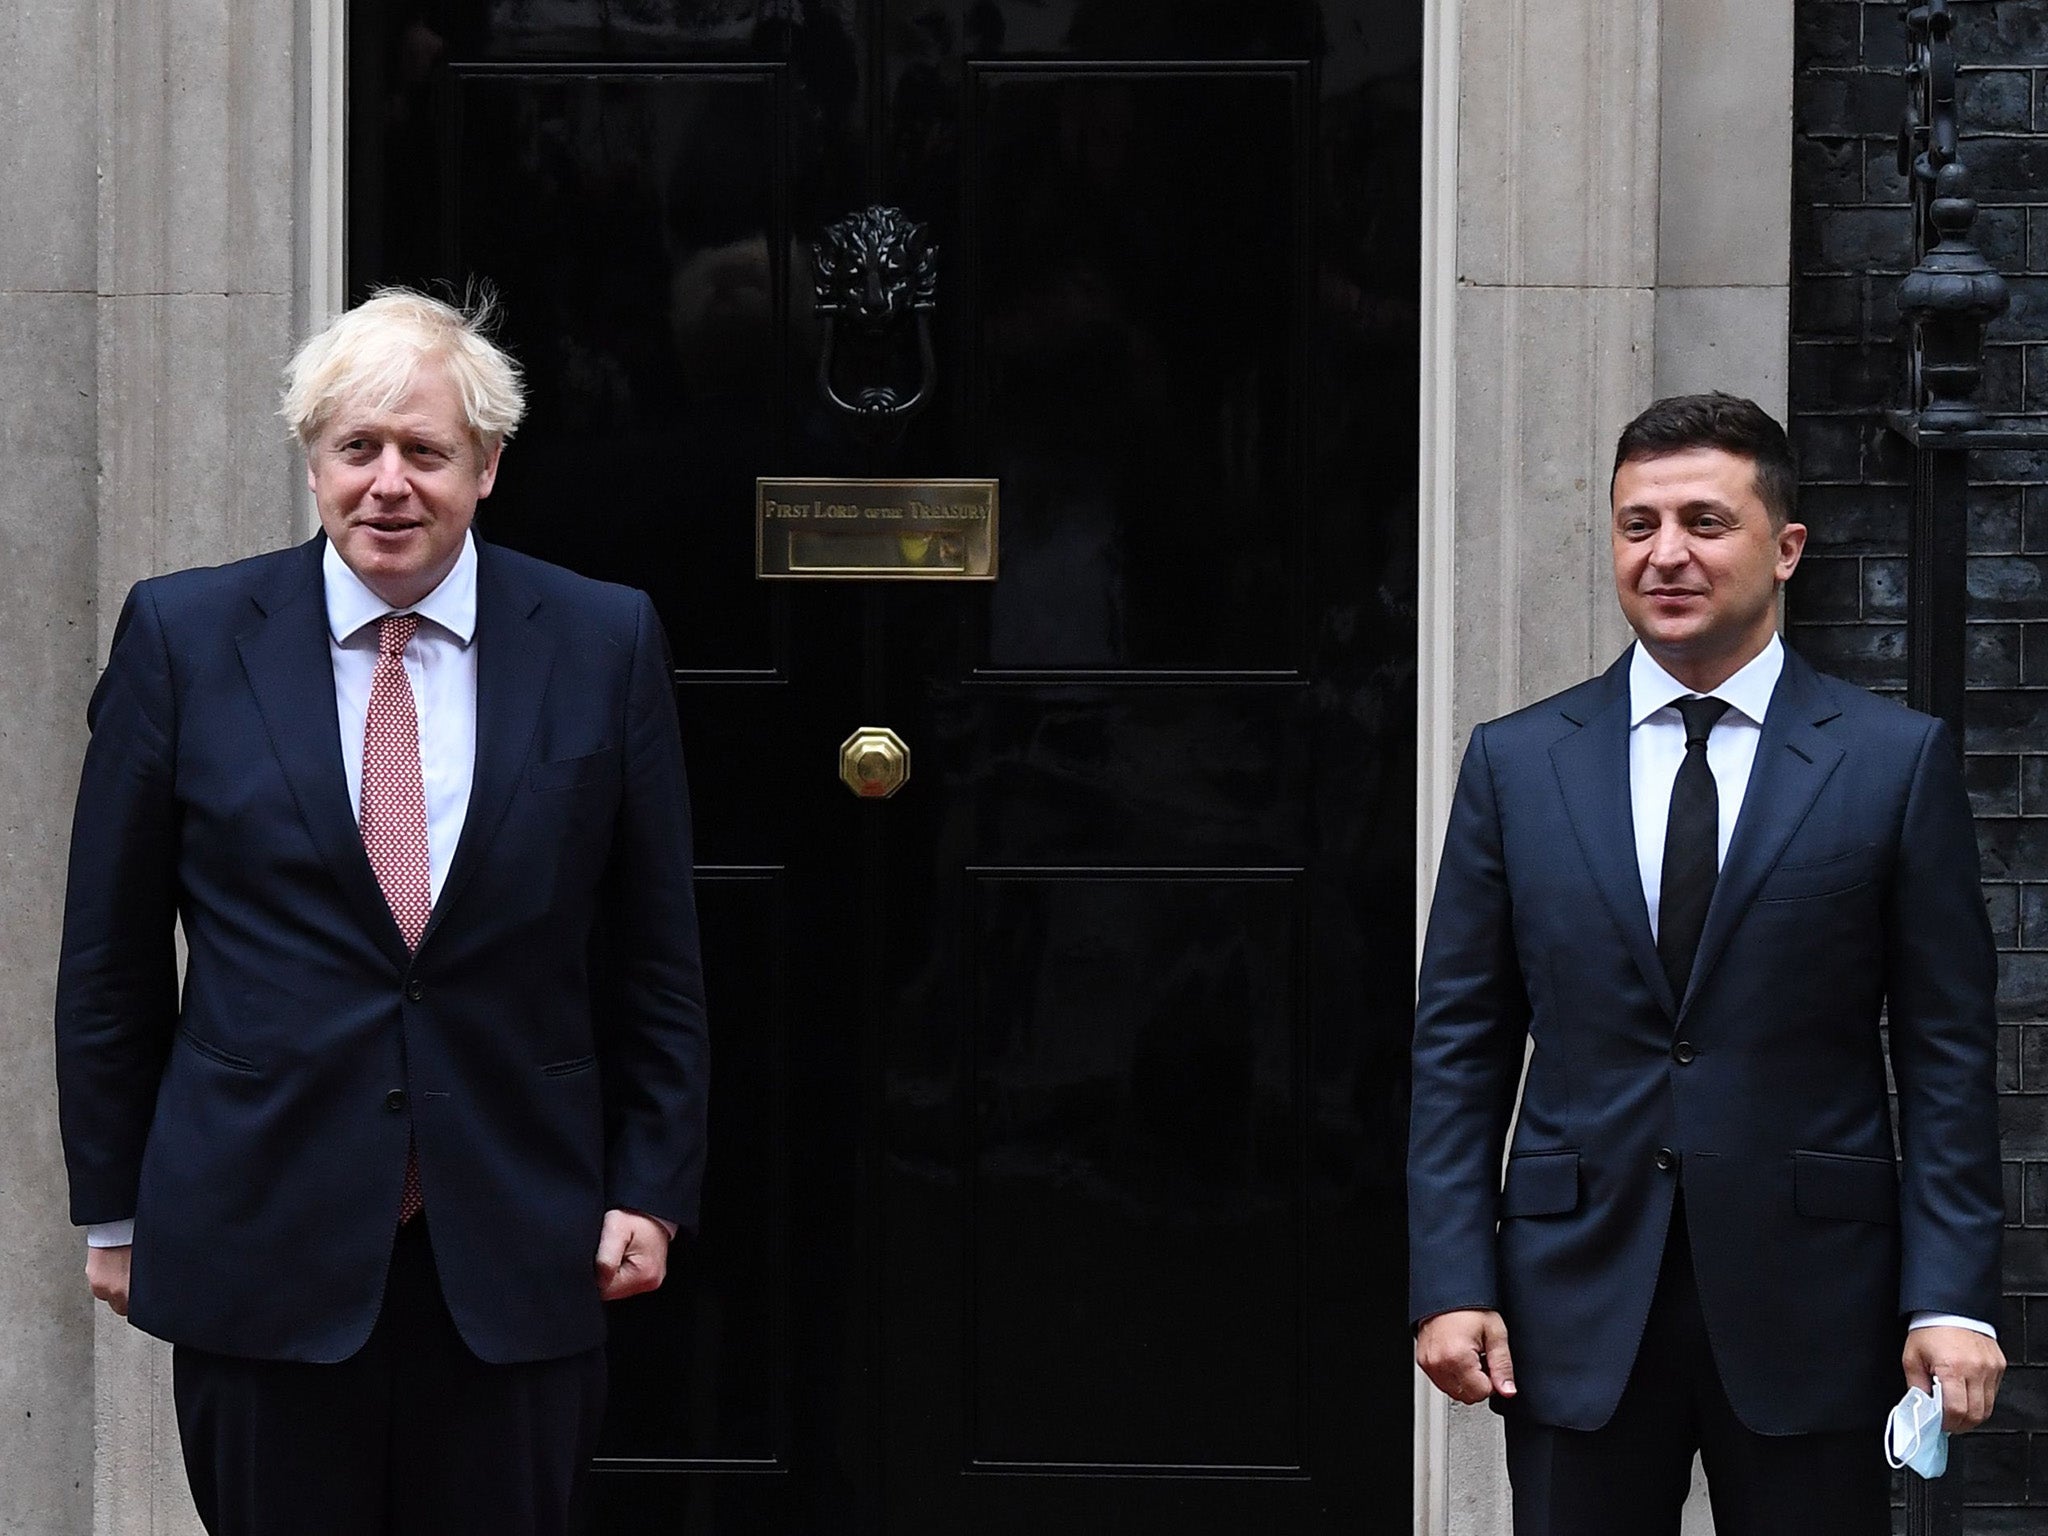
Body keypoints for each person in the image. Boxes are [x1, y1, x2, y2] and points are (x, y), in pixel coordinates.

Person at [54, 288, 708, 1535]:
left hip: (522, 1236)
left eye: (426, 450)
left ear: (488, 467)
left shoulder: (600, 638)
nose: (389, 484)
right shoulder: (184, 638)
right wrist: (118, 1207)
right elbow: (109, 958)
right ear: (313, 461)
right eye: (358, 448)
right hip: (262, 1236)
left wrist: (651, 1184)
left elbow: (654, 953)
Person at [1408, 393, 2005, 1534]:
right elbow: (1458, 1049)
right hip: (1570, 1302)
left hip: (1811, 1303)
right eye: (1637, 526)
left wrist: (1949, 1299)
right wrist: (1448, 1282)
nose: (1665, 554)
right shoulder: (1514, 764)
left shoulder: (1889, 763)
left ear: (1783, 548)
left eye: (1701, 521)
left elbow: (1941, 1057)